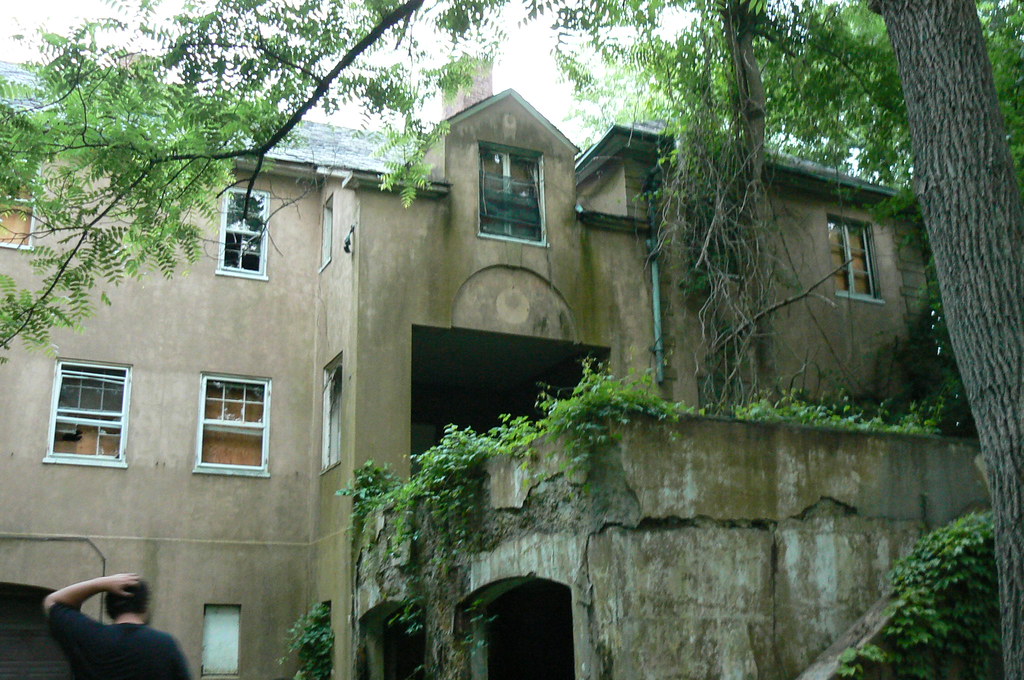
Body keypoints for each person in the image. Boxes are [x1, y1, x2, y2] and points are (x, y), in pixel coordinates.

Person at [43, 573, 192, 680]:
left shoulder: (88, 637)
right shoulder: (165, 645)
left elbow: (52, 602)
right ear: (144, 607)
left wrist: (103, 583)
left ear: (109, 608)